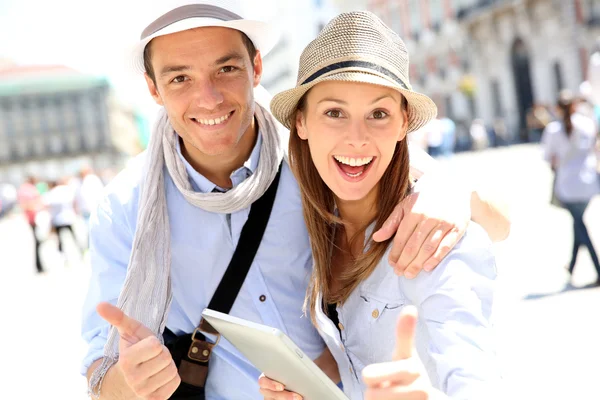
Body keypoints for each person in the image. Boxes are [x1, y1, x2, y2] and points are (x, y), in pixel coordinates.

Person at [82, 2, 510, 400]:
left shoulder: (322, 153)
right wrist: (129, 383)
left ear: (256, 67)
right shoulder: (126, 208)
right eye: (180, 78)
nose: (208, 97)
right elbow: (100, 378)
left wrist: (448, 194)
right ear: (153, 89)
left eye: (226, 68)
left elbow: (489, 221)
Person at [260, 11, 500, 399]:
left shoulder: (434, 238)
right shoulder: (313, 222)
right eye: (334, 112)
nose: (357, 138)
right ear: (301, 123)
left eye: (378, 114)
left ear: (403, 123)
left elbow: (477, 380)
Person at [542, 90, 600, 285]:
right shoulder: (586, 124)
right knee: (578, 223)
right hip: (589, 181)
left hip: (568, 185)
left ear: (558, 108)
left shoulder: (553, 130)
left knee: (580, 226)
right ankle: (573, 265)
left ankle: (599, 269)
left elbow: (548, 158)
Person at [17, 176, 44, 273]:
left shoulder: (23, 189)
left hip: (32, 218)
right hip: (34, 218)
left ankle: (40, 266)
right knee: (38, 242)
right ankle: (39, 266)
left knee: (38, 242)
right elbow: (28, 204)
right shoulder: (28, 189)